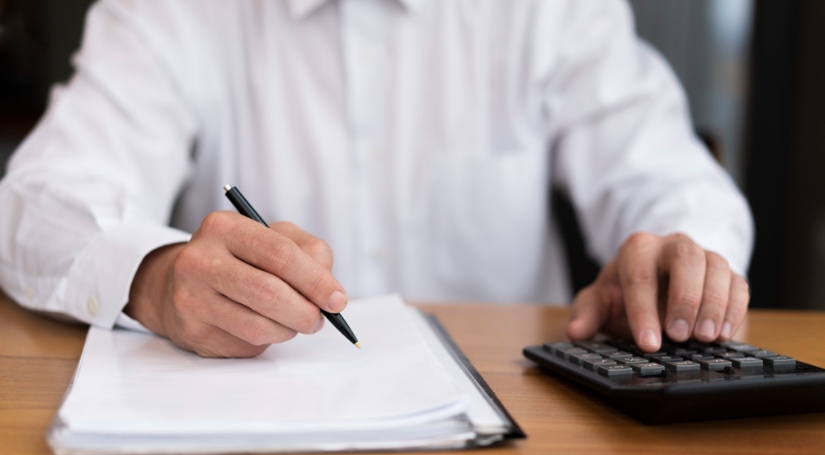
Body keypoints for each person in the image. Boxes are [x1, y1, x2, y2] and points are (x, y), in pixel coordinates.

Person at [0, 0, 752, 358]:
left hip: (524, 444)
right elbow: (38, 201)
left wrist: (679, 262)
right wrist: (155, 276)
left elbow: (674, 181)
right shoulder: (173, 11)